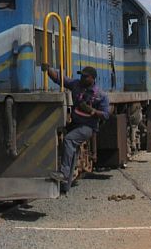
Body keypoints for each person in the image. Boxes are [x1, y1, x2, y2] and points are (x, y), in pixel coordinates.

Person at [42, 64, 111, 194]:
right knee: (72, 151)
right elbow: (60, 79)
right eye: (82, 76)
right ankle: (65, 186)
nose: (82, 78)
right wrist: (48, 70)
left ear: (93, 78)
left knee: (69, 140)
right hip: (75, 124)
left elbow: (106, 115)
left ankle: (63, 173)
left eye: (85, 76)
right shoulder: (76, 85)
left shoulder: (101, 95)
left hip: (88, 127)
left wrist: (92, 111)